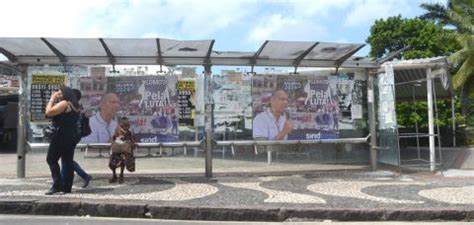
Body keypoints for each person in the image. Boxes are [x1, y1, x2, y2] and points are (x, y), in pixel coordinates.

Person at [44, 86, 81, 195]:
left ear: (66, 94)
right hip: (71, 136)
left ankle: (57, 185)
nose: (58, 95)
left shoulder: (65, 104)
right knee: (67, 161)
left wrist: (52, 99)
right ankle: (67, 187)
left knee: (51, 159)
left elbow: (48, 112)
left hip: (60, 136)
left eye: (60, 93)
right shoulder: (76, 106)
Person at [61, 89, 92, 188]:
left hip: (69, 136)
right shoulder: (79, 107)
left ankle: (84, 175)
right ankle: (63, 181)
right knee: (65, 159)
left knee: (66, 159)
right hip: (75, 136)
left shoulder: (71, 107)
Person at [109, 117, 136, 184]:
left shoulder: (129, 133)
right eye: (122, 126)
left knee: (123, 159)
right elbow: (113, 139)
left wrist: (129, 142)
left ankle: (121, 175)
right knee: (112, 162)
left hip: (124, 151)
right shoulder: (117, 131)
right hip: (117, 150)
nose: (124, 127)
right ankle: (114, 175)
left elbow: (132, 141)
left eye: (125, 126)